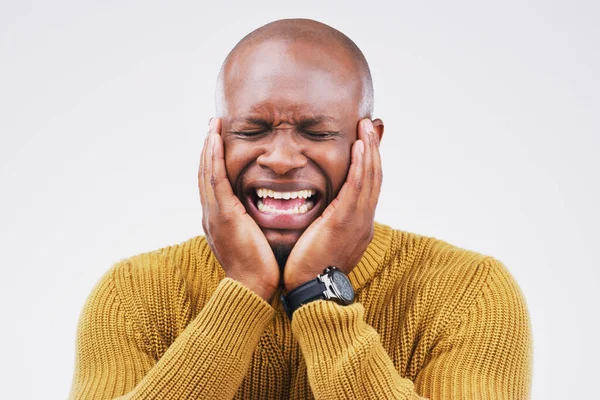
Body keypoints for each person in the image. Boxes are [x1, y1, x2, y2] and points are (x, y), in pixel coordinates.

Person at [68, 18, 532, 400]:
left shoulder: (471, 293)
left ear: (367, 142)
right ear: (217, 140)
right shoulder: (132, 296)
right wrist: (244, 289)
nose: (282, 159)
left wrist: (320, 291)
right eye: (253, 130)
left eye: (316, 132)